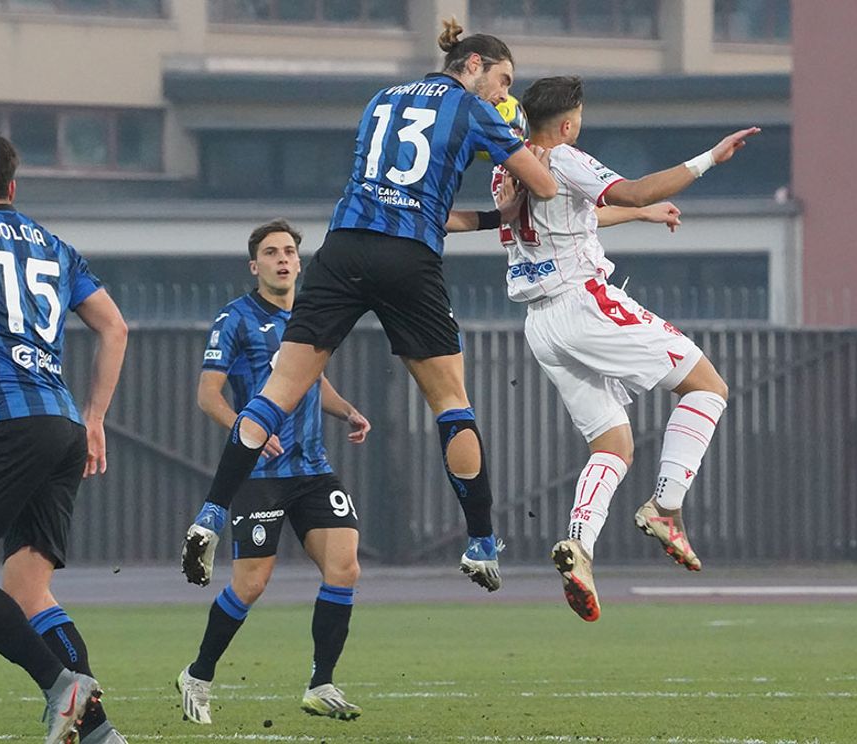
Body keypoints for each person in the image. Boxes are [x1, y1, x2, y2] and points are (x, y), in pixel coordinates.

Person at [181, 17, 557, 593]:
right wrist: (518, 151)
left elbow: (405, 194)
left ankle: (211, 511)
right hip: (409, 257)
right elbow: (546, 186)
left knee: (277, 391)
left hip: (345, 247)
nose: (505, 94)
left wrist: (487, 218)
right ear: (474, 65)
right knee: (450, 400)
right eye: (503, 79)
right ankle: (481, 541)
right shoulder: (475, 109)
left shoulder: (381, 99)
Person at [489, 76, 759, 621]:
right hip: (585, 304)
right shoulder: (562, 157)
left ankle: (580, 547)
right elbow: (632, 189)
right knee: (709, 386)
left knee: (612, 444)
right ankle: (665, 508)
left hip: (541, 323)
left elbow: (577, 216)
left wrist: (638, 217)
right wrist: (710, 158)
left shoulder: (509, 165)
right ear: (567, 123)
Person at [0, 132, 129, 742]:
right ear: (13, 187)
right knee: (29, 588)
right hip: (63, 424)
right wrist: (93, 418)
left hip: (10, 425)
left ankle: (61, 688)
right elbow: (115, 328)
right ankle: (98, 733)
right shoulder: (57, 247)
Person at [175, 220, 372, 724]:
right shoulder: (235, 319)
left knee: (345, 566)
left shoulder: (312, 316)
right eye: (271, 252)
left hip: (313, 469)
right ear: (255, 266)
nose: (283, 259)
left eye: (289, 251)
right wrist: (249, 428)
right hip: (261, 475)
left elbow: (313, 379)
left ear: (299, 263)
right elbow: (207, 394)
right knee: (252, 584)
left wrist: (346, 409)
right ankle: (198, 673)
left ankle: (321, 683)